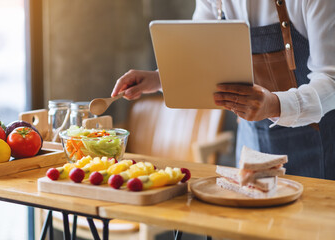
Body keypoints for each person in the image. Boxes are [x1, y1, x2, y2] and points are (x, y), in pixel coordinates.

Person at [111, 0, 335, 180]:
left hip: (316, 146)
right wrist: (159, 78)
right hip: (251, 143)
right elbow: (201, 56)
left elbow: (331, 79)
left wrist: (274, 105)